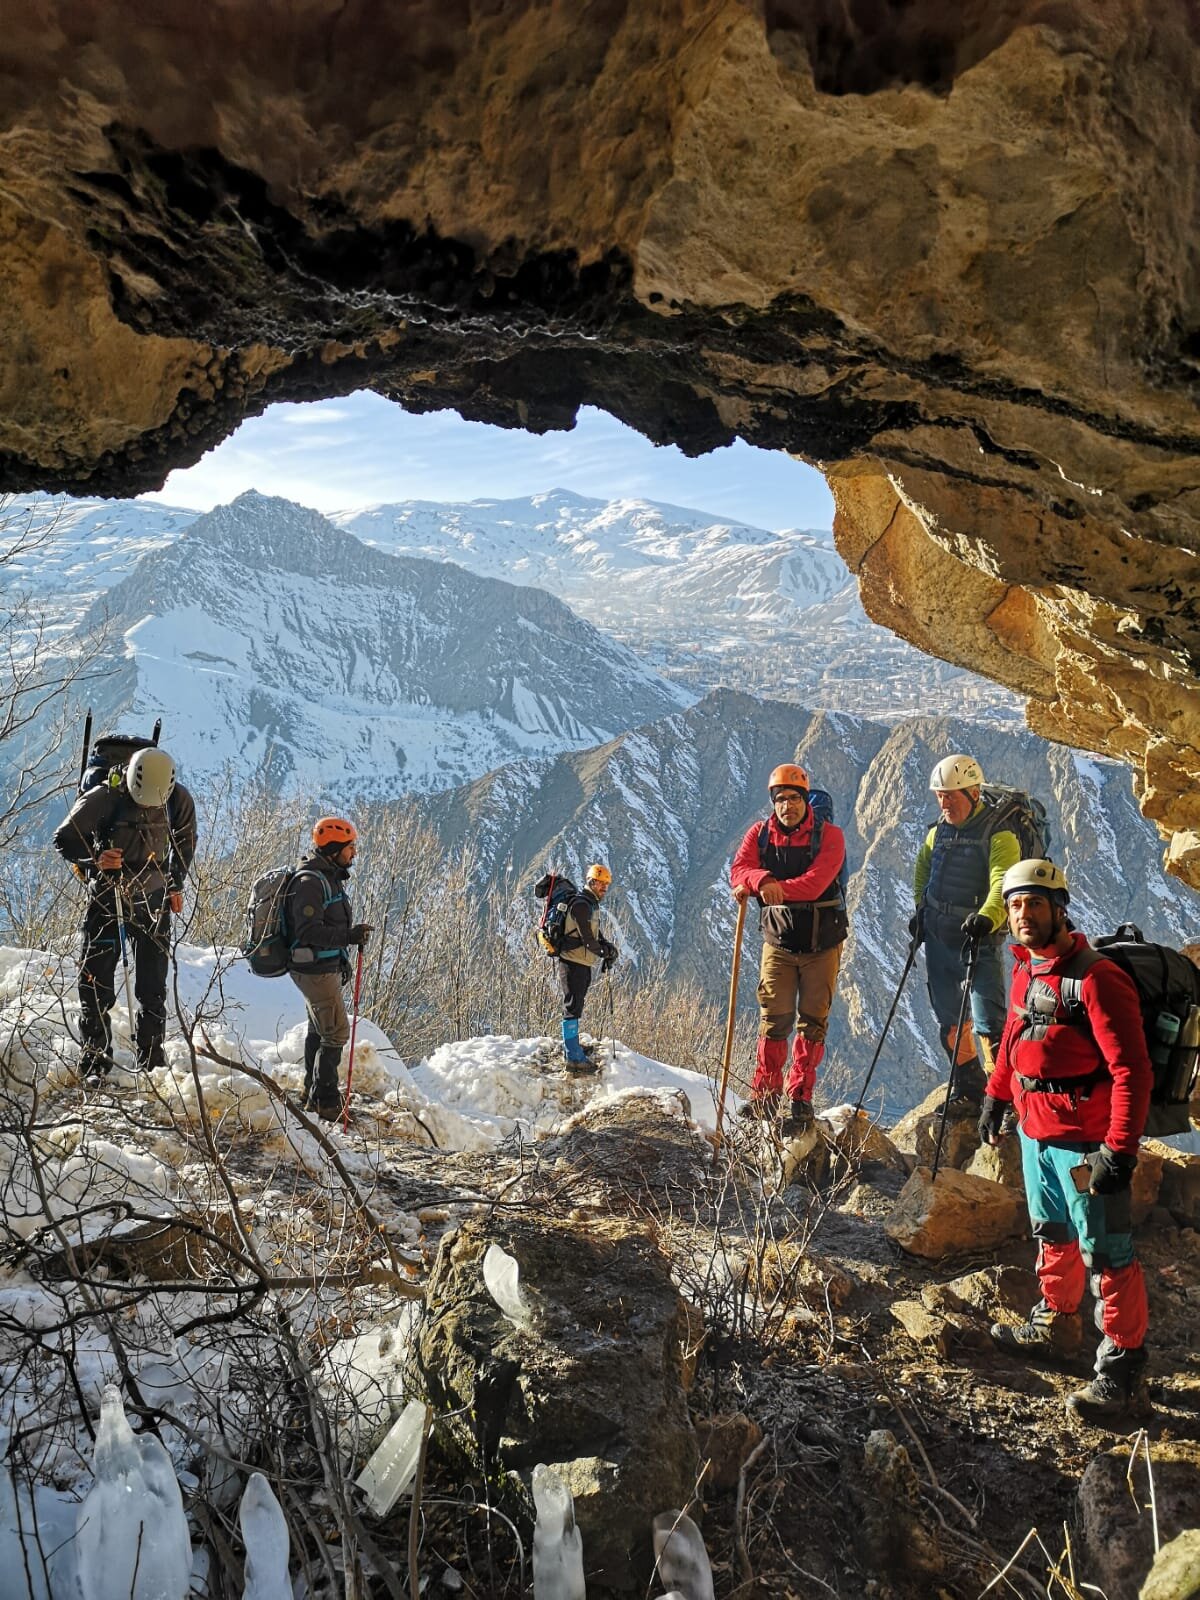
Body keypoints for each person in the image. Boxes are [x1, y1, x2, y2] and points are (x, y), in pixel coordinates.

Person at [978, 859, 1153, 1423]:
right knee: (1051, 1233)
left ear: (1058, 908)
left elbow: (1132, 1071)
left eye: (1034, 903)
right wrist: (997, 1095)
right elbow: (1012, 1039)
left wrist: (1119, 1150)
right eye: (1014, 905)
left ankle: (1124, 1373)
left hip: (1087, 1146)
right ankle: (1056, 1323)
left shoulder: (1098, 979)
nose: (1023, 915)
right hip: (1038, 1136)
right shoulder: (1027, 971)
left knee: (1108, 1254)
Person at [53, 747, 197, 1079]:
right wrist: (96, 857)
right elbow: (64, 840)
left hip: (154, 900)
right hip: (107, 896)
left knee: (153, 985)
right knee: (96, 981)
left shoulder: (179, 800)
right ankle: (95, 1060)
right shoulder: (105, 796)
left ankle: (152, 1059)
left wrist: (175, 884)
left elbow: (185, 844)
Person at [731, 763, 847, 1133]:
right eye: (780, 799)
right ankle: (766, 1095)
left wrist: (770, 888)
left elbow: (816, 884)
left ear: (805, 800)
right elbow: (739, 869)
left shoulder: (831, 837)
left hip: (821, 945)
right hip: (778, 942)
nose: (787, 806)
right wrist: (759, 878)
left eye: (794, 798)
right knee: (774, 1018)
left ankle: (800, 1096)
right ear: (773, 803)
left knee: (812, 1021)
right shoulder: (760, 835)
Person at [912, 754, 1021, 1107]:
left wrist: (987, 918)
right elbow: (923, 874)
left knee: (989, 1024)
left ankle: (1004, 1098)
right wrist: (921, 912)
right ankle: (968, 1086)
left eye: (951, 795)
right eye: (940, 795)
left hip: (978, 941)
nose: (944, 803)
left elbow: (1002, 883)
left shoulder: (1000, 834)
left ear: (973, 793)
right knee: (951, 1020)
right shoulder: (936, 833)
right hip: (940, 939)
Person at [285, 817, 372, 1121]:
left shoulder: (327, 877)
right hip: (314, 969)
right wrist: (348, 937)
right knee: (336, 1032)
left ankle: (312, 1094)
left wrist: (342, 957)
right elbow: (309, 931)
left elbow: (328, 926)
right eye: (351, 847)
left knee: (319, 1030)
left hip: (322, 965)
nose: (354, 853)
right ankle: (327, 1102)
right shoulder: (311, 883)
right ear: (335, 848)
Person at [557, 864, 618, 1066]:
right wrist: (604, 952)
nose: (605, 889)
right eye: (602, 884)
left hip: (580, 961)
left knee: (577, 1003)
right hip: (573, 962)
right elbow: (588, 941)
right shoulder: (582, 905)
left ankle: (573, 1047)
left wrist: (606, 946)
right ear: (592, 881)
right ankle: (573, 1056)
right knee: (572, 1006)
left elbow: (593, 935)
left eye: (607, 885)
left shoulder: (589, 904)